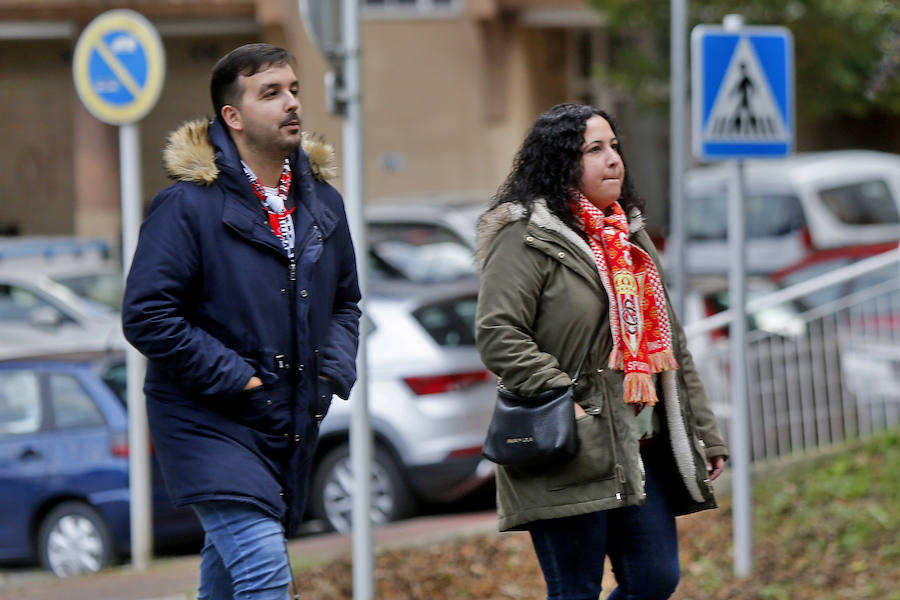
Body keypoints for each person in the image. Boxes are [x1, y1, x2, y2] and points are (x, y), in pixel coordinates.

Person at [122, 43, 361, 600]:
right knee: (265, 574)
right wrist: (240, 378)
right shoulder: (186, 205)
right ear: (232, 116)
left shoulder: (322, 202)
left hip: (287, 414)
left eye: (294, 90)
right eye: (270, 93)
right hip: (207, 418)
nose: (291, 104)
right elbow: (147, 315)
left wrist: (329, 375)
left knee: (229, 581)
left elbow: (345, 303)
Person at [475, 103, 727, 600]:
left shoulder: (629, 239)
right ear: (560, 163)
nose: (613, 159)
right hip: (570, 446)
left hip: (640, 449)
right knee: (576, 590)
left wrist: (705, 432)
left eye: (614, 146)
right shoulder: (525, 238)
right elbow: (498, 332)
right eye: (595, 150)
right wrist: (558, 393)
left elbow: (670, 345)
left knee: (656, 580)